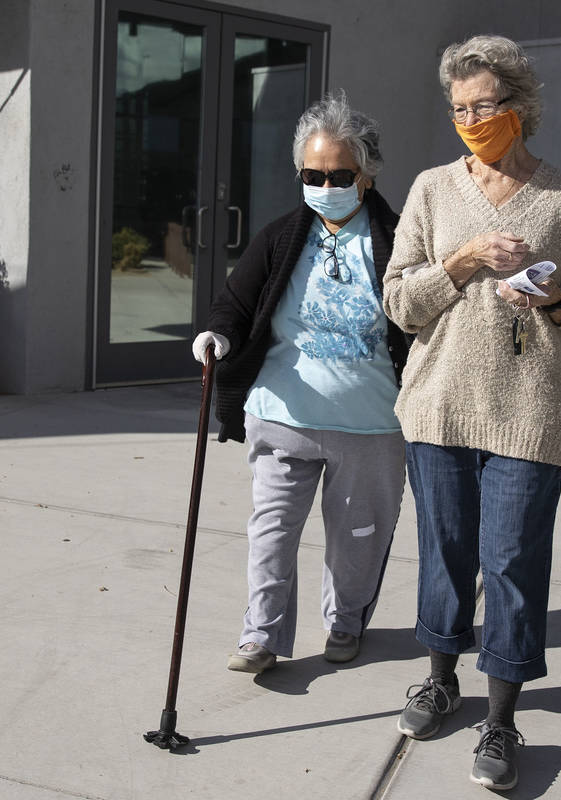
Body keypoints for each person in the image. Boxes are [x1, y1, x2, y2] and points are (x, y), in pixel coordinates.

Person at [383, 34, 561, 791]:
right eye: (458, 108)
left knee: (511, 563)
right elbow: (400, 302)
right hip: (439, 402)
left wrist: (553, 298)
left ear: (519, 106)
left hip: (529, 410)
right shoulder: (432, 190)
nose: (471, 118)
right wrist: (464, 261)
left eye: (484, 104)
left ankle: (502, 718)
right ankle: (439, 679)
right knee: (445, 550)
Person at [191, 92, 409, 674]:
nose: (326, 184)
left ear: (365, 176)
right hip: (281, 412)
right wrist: (218, 337)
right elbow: (235, 303)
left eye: (340, 174)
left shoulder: (400, 237)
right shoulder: (282, 235)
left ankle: (344, 622)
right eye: (314, 174)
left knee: (358, 539)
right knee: (271, 531)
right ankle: (260, 636)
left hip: (373, 424)